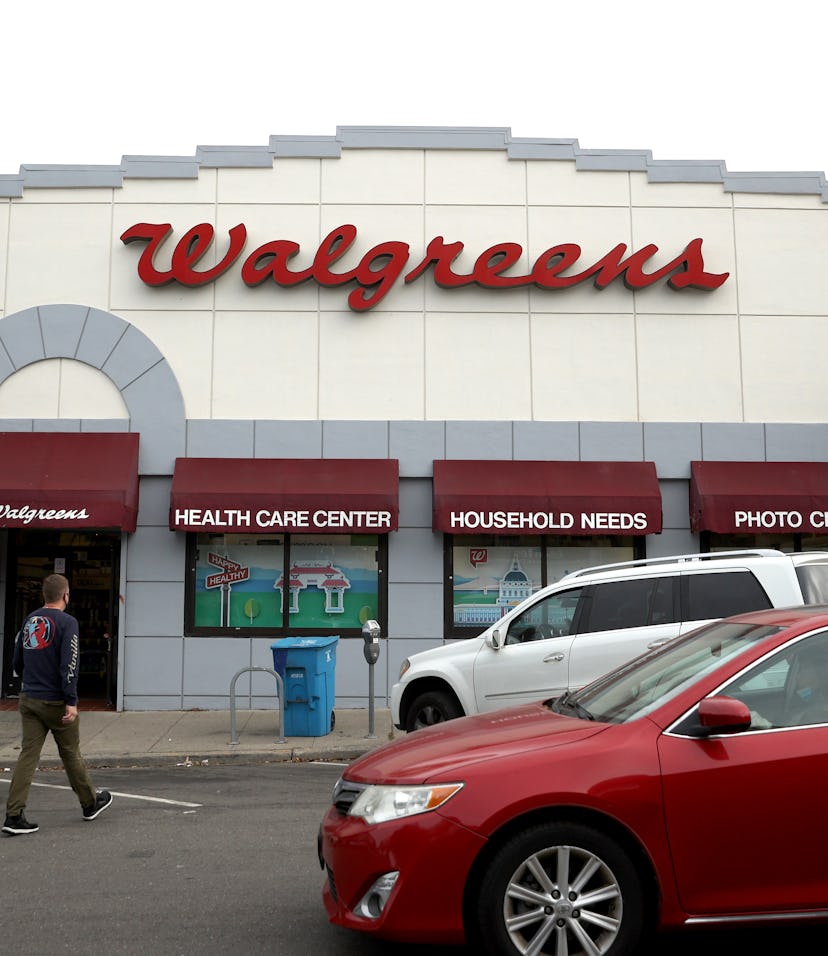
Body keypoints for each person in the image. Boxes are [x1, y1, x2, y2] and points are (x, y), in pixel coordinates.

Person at [2, 573, 113, 836]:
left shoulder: (30, 619)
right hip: (54, 700)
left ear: (44, 596)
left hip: (29, 697)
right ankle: (89, 803)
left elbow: (17, 659)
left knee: (28, 755)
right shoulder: (67, 622)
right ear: (65, 595)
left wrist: (27, 681)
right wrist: (71, 701)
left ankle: (14, 815)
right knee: (70, 752)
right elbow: (70, 664)